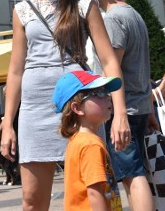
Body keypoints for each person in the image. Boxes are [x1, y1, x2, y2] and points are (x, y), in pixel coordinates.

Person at [0, 0, 128, 211]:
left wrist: (120, 114)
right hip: (35, 107)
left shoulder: (85, 4)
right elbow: (15, 70)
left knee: (92, 193)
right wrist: (8, 123)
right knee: (32, 201)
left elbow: (109, 60)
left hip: (79, 104)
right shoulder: (21, 10)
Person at [82, 0, 154, 211]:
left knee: (131, 175)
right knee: (135, 171)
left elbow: (113, 68)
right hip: (140, 103)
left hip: (124, 107)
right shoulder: (134, 14)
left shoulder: (113, 19)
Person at [53, 70, 123, 211]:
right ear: (77, 108)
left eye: (106, 92)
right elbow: (94, 193)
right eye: (99, 93)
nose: (108, 97)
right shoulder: (90, 144)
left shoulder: (78, 140)